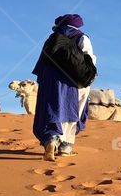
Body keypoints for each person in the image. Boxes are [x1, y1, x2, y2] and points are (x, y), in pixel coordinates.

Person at [32, 14, 96, 161]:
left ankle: (51, 140)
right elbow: (89, 60)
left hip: (49, 81)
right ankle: (66, 146)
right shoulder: (82, 38)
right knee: (74, 110)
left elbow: (42, 63)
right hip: (73, 82)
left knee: (50, 110)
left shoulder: (52, 38)